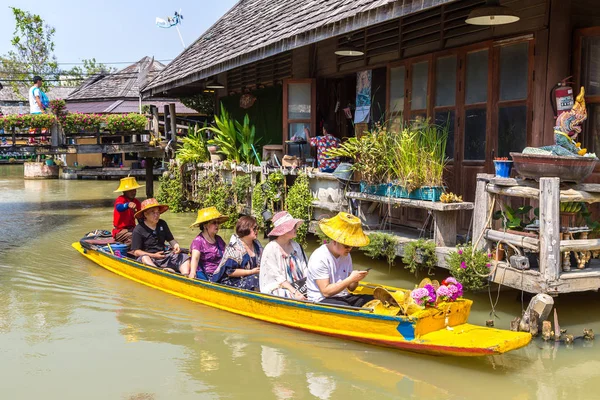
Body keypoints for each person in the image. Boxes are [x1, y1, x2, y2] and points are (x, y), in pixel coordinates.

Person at [306, 212, 374, 306]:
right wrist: (350, 279)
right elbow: (326, 292)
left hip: (342, 296)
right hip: (322, 299)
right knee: (347, 308)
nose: (349, 249)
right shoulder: (320, 257)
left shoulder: (346, 255)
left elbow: (351, 288)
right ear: (335, 241)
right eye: (346, 246)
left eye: (352, 246)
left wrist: (356, 279)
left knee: (373, 299)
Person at [130, 198, 191, 274]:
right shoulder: (138, 229)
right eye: (153, 213)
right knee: (145, 258)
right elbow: (136, 252)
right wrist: (154, 255)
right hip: (149, 257)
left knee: (184, 257)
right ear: (145, 214)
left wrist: (176, 246)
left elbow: (171, 240)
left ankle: (185, 276)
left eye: (158, 212)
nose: (156, 215)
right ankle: (159, 273)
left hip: (163, 255)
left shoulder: (162, 223)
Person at [260, 211, 308, 300]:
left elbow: (305, 268)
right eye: (293, 227)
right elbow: (277, 277)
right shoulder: (271, 248)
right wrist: (295, 292)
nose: (295, 229)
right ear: (285, 230)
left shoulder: (296, 246)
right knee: (287, 295)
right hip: (279, 287)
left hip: (300, 285)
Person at [210, 215, 262, 290]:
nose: (257, 231)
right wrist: (251, 272)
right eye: (254, 229)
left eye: (257, 228)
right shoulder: (234, 248)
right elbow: (230, 272)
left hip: (248, 276)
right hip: (231, 281)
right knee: (255, 279)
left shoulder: (257, 244)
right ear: (245, 229)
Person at [188, 206, 228, 280]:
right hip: (206, 274)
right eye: (214, 223)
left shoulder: (219, 239)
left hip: (220, 272)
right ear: (205, 225)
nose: (217, 225)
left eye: (218, 222)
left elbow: (228, 253)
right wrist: (192, 272)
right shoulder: (198, 241)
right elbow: (195, 258)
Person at [112, 177, 144, 245]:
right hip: (120, 231)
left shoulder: (137, 202)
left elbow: (140, 218)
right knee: (134, 237)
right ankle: (128, 250)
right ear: (124, 192)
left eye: (134, 190)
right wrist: (127, 205)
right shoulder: (120, 199)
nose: (133, 192)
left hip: (132, 229)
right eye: (130, 190)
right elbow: (119, 207)